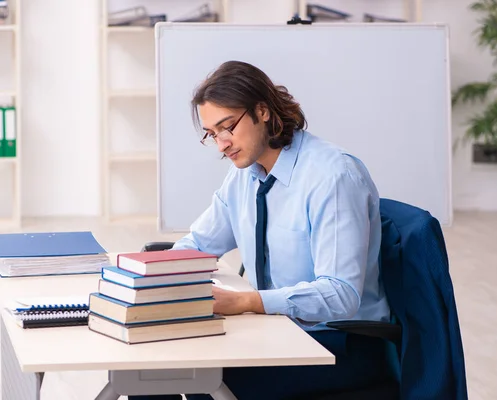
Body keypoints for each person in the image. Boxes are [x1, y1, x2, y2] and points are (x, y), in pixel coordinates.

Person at [130, 60, 393, 400]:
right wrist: (154, 279)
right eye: (212, 134)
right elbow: (199, 243)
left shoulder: (333, 177)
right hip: (276, 329)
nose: (222, 144)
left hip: (341, 343)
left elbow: (340, 294)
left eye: (228, 127)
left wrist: (247, 302)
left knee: (199, 381)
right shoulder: (245, 174)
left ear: (263, 111)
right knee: (150, 365)